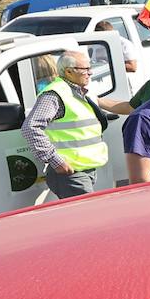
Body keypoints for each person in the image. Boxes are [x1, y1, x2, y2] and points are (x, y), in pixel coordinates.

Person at [21, 50, 109, 199]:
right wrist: (55, 160)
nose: (90, 73)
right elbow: (30, 127)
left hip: (81, 171)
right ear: (68, 72)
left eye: (90, 68)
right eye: (85, 69)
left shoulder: (75, 91)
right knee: (88, 216)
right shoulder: (55, 94)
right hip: (70, 173)